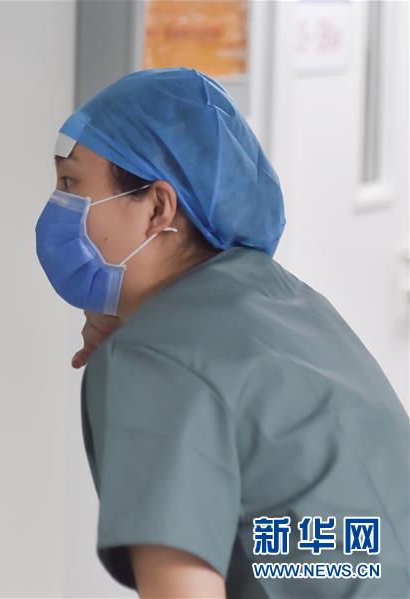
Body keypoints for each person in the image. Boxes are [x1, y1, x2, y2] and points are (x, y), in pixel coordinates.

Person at [35, 68, 410, 598]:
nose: (57, 207)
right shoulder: (287, 300)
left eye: (71, 185)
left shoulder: (151, 362)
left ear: (158, 209)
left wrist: (141, 345)